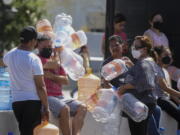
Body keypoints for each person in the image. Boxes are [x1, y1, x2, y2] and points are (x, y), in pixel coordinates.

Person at [118, 36, 180, 135]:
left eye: (136, 46)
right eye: (133, 46)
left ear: (144, 49)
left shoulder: (145, 63)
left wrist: (124, 87)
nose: (133, 49)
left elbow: (144, 82)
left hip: (142, 103)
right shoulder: (145, 62)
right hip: (143, 103)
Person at [3, 26, 49, 135]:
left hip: (16, 102)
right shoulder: (33, 59)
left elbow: (4, 62)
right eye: (36, 40)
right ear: (32, 41)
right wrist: (46, 107)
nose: (36, 43)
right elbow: (40, 86)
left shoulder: (9, 56)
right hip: (32, 102)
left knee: (25, 131)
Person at [37, 34, 87, 135]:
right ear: (38, 46)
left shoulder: (57, 59)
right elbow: (54, 64)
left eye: (49, 47)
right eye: (44, 47)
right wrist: (57, 61)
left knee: (83, 107)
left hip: (60, 97)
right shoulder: (36, 59)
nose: (48, 49)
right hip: (47, 97)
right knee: (64, 109)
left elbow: (65, 80)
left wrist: (52, 76)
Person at [154, 46, 180, 134]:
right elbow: (165, 88)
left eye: (169, 55)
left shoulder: (163, 70)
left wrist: (178, 101)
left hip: (163, 99)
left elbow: (169, 91)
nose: (168, 57)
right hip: (158, 100)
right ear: (158, 56)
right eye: (166, 54)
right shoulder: (156, 68)